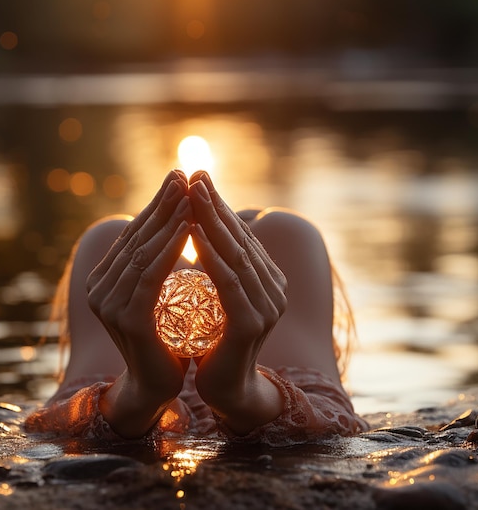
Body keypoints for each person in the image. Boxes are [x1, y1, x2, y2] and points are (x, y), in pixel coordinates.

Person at [25, 169, 368, 445]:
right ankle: (242, 396)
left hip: (120, 462)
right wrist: (236, 392)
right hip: (276, 466)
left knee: (108, 237)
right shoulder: (285, 240)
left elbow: (48, 435)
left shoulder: (103, 248)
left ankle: (134, 398)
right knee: (284, 232)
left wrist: (141, 395)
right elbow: (338, 437)